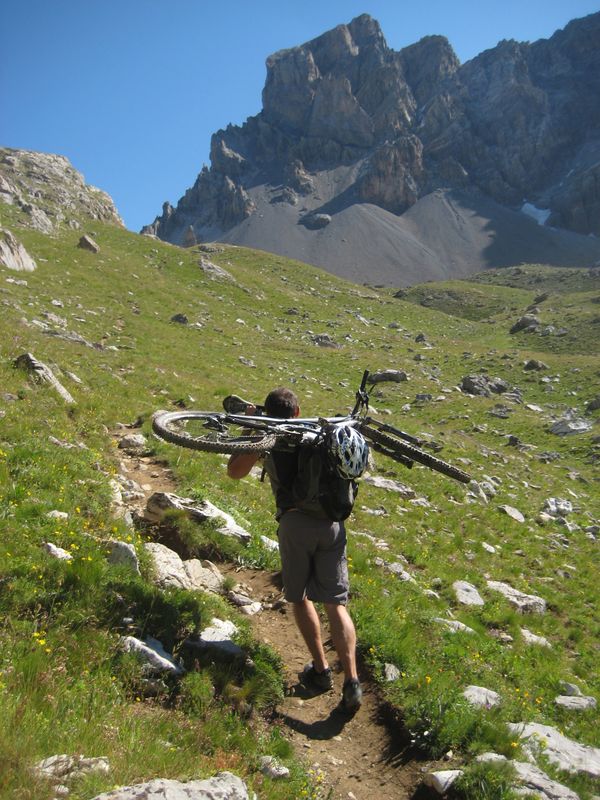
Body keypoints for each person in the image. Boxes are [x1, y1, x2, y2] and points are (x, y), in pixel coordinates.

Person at [227, 386, 363, 714]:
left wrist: (252, 428)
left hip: (294, 524)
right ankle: (353, 681)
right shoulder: (317, 433)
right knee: (337, 605)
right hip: (333, 524)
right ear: (298, 412)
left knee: (299, 596)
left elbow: (234, 472)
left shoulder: (270, 437)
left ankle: (320, 671)